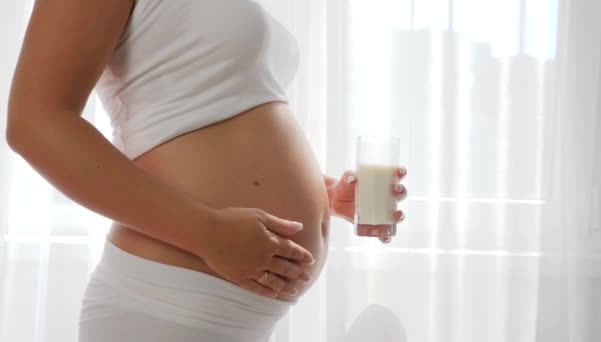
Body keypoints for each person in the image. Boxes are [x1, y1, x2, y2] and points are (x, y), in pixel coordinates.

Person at [5, 0, 408, 341]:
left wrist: (324, 194)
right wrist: (207, 232)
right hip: (165, 307)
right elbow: (34, 123)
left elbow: (201, 113)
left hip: (233, 317)